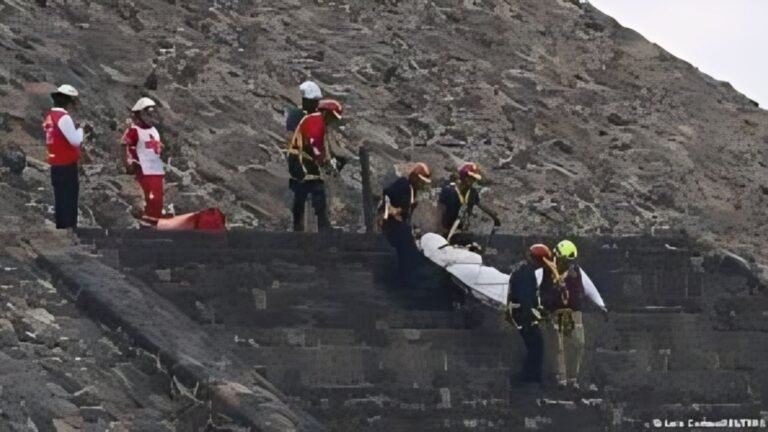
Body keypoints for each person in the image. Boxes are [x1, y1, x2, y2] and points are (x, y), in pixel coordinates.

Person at [536, 240, 608, 389]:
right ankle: (560, 380)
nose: (566, 264)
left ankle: (572, 379)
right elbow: (532, 287)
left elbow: (589, 288)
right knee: (557, 346)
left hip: (574, 313)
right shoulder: (544, 271)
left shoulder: (577, 272)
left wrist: (601, 305)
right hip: (553, 313)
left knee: (578, 343)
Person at [286, 81, 342, 232]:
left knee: (305, 189)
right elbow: (315, 145)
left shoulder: (316, 121)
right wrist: (324, 162)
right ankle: (318, 225)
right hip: (300, 158)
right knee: (312, 187)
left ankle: (301, 225)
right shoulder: (315, 120)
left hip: (302, 157)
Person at [43, 84, 90, 230]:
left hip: (55, 162)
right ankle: (69, 227)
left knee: (60, 197)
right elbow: (75, 140)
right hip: (66, 163)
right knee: (68, 197)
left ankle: (62, 226)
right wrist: (81, 130)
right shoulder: (63, 117)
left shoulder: (50, 116)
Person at [505, 244, 553, 385]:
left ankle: (531, 377)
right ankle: (530, 378)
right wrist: (531, 317)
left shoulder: (523, 269)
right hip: (523, 315)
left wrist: (539, 309)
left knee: (535, 345)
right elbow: (525, 298)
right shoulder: (526, 273)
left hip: (520, 313)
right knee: (537, 346)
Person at [379, 163, 432, 281]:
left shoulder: (412, 190)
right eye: (421, 180)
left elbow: (406, 209)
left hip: (402, 225)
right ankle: (405, 275)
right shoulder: (403, 184)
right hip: (392, 224)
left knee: (408, 245)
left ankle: (408, 274)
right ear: (414, 177)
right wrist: (390, 210)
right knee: (404, 243)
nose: (422, 184)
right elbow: (387, 194)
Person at [121, 97, 166, 227]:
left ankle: (155, 222)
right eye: (148, 112)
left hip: (155, 168)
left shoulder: (154, 130)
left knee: (158, 198)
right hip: (143, 169)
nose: (151, 115)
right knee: (149, 198)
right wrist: (127, 164)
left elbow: (155, 146)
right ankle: (147, 224)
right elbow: (124, 144)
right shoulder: (134, 130)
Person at [437, 162, 500, 247]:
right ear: (463, 176)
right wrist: (440, 229)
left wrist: (494, 217)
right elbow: (439, 211)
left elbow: (480, 204)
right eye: (470, 178)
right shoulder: (448, 191)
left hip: (461, 230)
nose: (472, 181)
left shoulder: (472, 192)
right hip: (445, 230)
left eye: (474, 179)